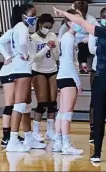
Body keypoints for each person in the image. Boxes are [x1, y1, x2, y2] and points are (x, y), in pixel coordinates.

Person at [53, 7, 106, 163]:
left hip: (101, 79)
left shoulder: (101, 33)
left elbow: (81, 22)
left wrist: (64, 13)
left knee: (98, 117)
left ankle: (96, 154)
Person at [0, 4, 47, 152]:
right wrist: (24, 54)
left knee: (26, 103)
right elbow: (23, 43)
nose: (34, 17)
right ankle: (12, 140)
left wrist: (7, 56)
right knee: (19, 105)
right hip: (21, 69)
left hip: (18, 68)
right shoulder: (22, 28)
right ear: (24, 15)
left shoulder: (14, 29)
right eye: (32, 14)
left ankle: (29, 137)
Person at [52, 9, 83, 155]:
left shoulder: (66, 37)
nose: (81, 24)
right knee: (67, 113)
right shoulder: (69, 38)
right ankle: (66, 144)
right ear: (70, 22)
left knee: (62, 111)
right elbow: (69, 62)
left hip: (62, 76)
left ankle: (58, 142)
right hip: (68, 77)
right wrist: (78, 82)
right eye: (77, 21)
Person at [31, 13, 60, 142]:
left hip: (52, 69)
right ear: (40, 24)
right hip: (38, 71)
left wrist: (53, 48)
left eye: (50, 27)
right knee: (42, 103)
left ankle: (50, 131)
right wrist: (46, 47)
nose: (47, 29)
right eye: (45, 26)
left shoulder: (53, 36)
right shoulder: (33, 38)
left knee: (52, 103)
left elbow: (58, 56)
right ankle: (35, 132)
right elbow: (34, 57)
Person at [0, 30, 24, 148]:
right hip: (8, 72)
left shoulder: (21, 35)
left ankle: (12, 135)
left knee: (17, 105)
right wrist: (7, 56)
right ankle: (6, 137)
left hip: (15, 71)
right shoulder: (12, 34)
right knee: (9, 105)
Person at [88, 7, 106, 144]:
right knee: (95, 102)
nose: (105, 18)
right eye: (103, 16)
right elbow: (92, 49)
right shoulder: (95, 31)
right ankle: (93, 130)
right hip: (97, 69)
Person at [58, 1, 98, 74]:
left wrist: (89, 38)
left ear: (78, 11)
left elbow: (98, 31)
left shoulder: (91, 19)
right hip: (74, 40)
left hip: (86, 42)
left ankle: (83, 65)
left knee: (82, 46)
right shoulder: (70, 20)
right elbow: (62, 30)